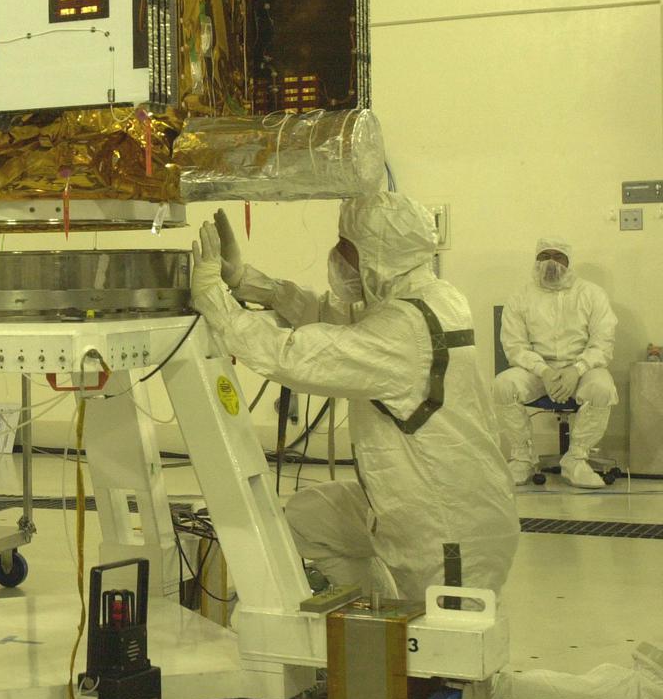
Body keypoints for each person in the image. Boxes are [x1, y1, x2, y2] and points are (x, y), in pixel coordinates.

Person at [189, 193, 519, 600]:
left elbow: (295, 355)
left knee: (448, 656)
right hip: (404, 503)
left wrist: (216, 303)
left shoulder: (405, 327)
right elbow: (333, 317)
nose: (338, 258)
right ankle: (368, 619)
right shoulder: (425, 299)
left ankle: (389, 638)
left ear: (380, 254)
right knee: (309, 518)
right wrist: (248, 281)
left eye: (347, 248)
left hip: (448, 529)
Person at [494, 238, 617, 488]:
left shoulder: (592, 294)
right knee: (503, 385)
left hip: (582, 368)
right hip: (536, 371)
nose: (551, 263)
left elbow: (603, 342)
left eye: (558, 256)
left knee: (602, 388)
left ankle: (576, 460)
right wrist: (544, 371)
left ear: (569, 262)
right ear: (536, 261)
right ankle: (522, 459)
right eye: (544, 256)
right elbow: (515, 345)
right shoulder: (520, 297)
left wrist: (577, 369)